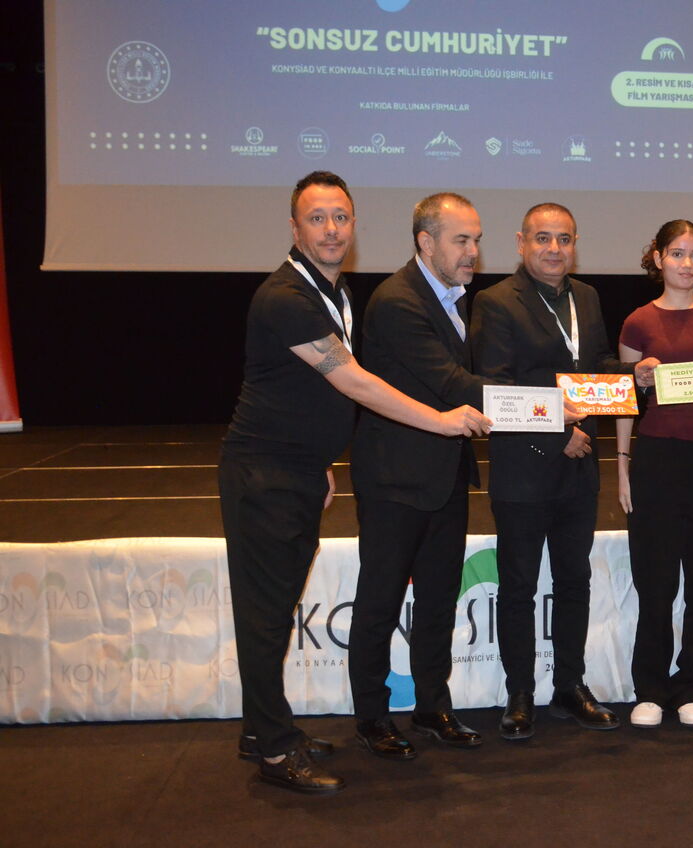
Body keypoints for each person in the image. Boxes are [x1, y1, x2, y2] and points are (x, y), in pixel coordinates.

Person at [219, 172, 490, 794]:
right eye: (317, 218)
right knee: (264, 618)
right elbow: (353, 381)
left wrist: (319, 462)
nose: (332, 230)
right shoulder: (287, 296)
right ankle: (276, 750)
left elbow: (304, 394)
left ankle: (263, 731)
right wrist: (442, 421)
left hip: (294, 470)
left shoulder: (330, 292)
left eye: (341, 217)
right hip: (264, 475)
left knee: (275, 610)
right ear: (294, 228)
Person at [470, 202, 656, 741]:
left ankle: (570, 686)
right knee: (519, 587)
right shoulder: (495, 301)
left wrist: (634, 374)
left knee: (575, 582)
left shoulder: (587, 297)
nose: (555, 249)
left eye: (565, 239)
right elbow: (496, 386)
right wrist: (557, 433)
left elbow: (594, 368)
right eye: (543, 238)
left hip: (578, 470)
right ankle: (520, 694)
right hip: (524, 468)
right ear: (521, 242)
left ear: (575, 244)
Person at [346, 193, 493, 762]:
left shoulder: (454, 297)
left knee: (437, 601)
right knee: (379, 603)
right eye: (461, 240)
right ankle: (372, 717)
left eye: (476, 240)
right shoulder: (397, 301)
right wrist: (546, 404)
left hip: (444, 476)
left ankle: (433, 706)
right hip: (395, 482)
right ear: (425, 242)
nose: (473, 251)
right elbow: (452, 383)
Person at [616, 220, 693, 729]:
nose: (687, 264)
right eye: (677, 253)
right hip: (656, 458)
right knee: (656, 580)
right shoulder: (637, 322)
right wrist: (623, 465)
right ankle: (650, 687)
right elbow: (625, 401)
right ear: (658, 258)